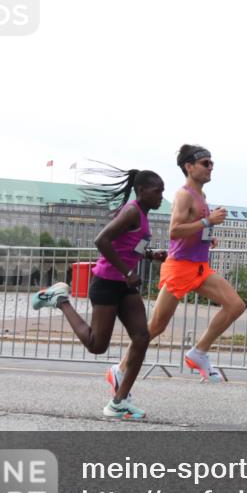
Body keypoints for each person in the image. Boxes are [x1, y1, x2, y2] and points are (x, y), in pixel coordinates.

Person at [31, 167, 167, 420]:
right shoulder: (132, 211)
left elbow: (127, 245)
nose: (161, 196)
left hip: (125, 286)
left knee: (141, 337)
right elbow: (101, 240)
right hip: (107, 282)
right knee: (96, 345)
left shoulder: (143, 215)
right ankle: (60, 300)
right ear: (141, 191)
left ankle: (119, 402)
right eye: (157, 191)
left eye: (162, 191)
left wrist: (150, 255)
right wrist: (128, 272)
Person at [114, 144, 246, 384]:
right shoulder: (184, 195)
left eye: (212, 163)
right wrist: (207, 222)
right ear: (189, 167)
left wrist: (206, 237)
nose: (210, 167)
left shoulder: (201, 196)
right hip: (180, 267)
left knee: (235, 305)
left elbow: (192, 229)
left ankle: (199, 352)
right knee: (156, 326)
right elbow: (174, 231)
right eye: (205, 163)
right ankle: (121, 369)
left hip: (199, 267)